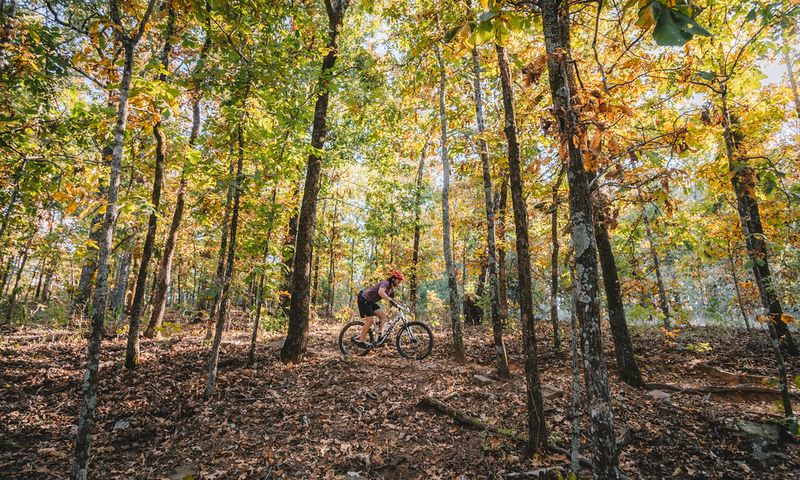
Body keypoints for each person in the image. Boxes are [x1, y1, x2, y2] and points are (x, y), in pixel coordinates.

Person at [354, 270, 405, 347]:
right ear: (393, 278)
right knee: (370, 321)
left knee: (383, 317)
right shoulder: (386, 283)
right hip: (363, 299)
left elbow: (393, 299)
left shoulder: (391, 289)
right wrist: (390, 299)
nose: (399, 282)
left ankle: (380, 338)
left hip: (370, 302)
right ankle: (360, 342)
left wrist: (402, 305)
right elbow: (381, 292)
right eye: (398, 280)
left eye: (400, 281)